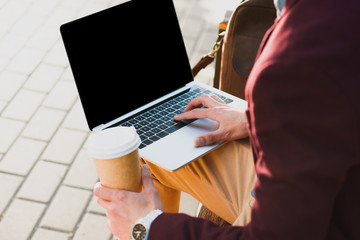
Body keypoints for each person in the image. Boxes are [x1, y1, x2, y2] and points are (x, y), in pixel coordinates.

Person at [94, 0, 360, 239]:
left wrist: (149, 228)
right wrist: (256, 118)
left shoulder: (297, 60)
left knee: (131, 159)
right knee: (143, 150)